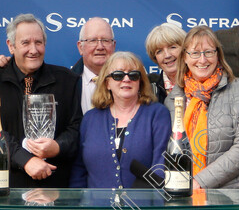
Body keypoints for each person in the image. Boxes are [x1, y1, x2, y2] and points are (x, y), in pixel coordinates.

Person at [0, 14, 82, 188]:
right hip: (4, 186)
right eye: (25, 43)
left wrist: (57, 146)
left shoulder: (68, 81)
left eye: (38, 42)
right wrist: (25, 160)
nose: (33, 50)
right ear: (11, 46)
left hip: (54, 187)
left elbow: (77, 128)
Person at [163, 26, 239, 189]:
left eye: (208, 52)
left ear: (218, 55)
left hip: (233, 195)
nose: (202, 60)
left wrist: (199, 181)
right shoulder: (174, 99)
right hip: (186, 194)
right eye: (195, 53)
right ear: (184, 57)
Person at [70, 51, 170, 189]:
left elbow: (161, 165)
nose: (126, 79)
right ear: (107, 83)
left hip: (143, 208)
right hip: (95, 208)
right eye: (118, 75)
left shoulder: (157, 114)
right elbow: (78, 171)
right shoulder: (90, 119)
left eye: (134, 75)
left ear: (140, 82)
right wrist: (79, 206)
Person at [72, 18, 117, 114]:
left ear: (113, 46)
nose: (100, 47)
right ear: (80, 47)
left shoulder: (128, 81)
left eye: (105, 40)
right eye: (93, 40)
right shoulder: (67, 83)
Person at [144, 23, 187, 105]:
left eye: (172, 47)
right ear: (155, 57)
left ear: (185, 49)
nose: (167, 55)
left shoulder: (204, 85)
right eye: (159, 51)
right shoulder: (149, 91)